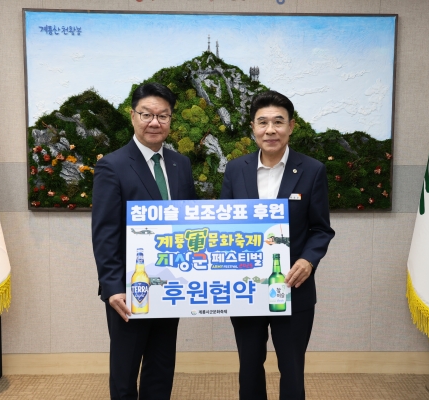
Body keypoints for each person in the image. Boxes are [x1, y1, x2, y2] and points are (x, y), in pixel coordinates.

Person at [221, 90, 335, 400]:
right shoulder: (235, 169)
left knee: (292, 367)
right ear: (253, 128)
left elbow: (321, 229)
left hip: (293, 286)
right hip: (246, 288)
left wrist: (308, 261)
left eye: (278, 122)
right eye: (263, 122)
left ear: (291, 126)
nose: (270, 130)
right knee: (249, 366)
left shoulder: (312, 170)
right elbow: (224, 225)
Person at [92, 82, 196, 400]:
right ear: (133, 116)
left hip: (170, 284)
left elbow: (189, 224)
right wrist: (112, 287)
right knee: (125, 370)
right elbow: (105, 233)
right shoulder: (112, 165)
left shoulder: (180, 164)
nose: (155, 122)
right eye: (147, 114)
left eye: (163, 115)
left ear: (171, 119)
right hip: (130, 288)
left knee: (161, 366)